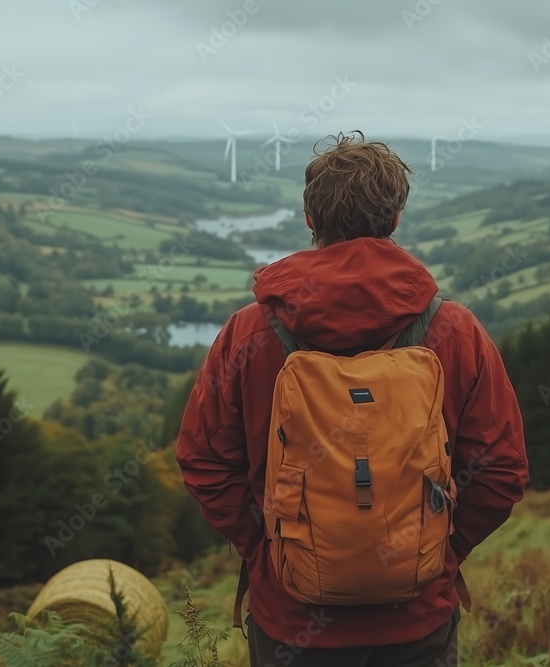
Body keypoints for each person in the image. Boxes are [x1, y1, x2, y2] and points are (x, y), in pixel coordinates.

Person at [176, 131, 528, 666]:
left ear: (311, 220)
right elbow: (502, 469)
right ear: (396, 218)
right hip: (417, 624)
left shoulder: (249, 335)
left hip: (292, 625)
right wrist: (438, 553)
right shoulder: (454, 332)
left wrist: (272, 549)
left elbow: (202, 461)